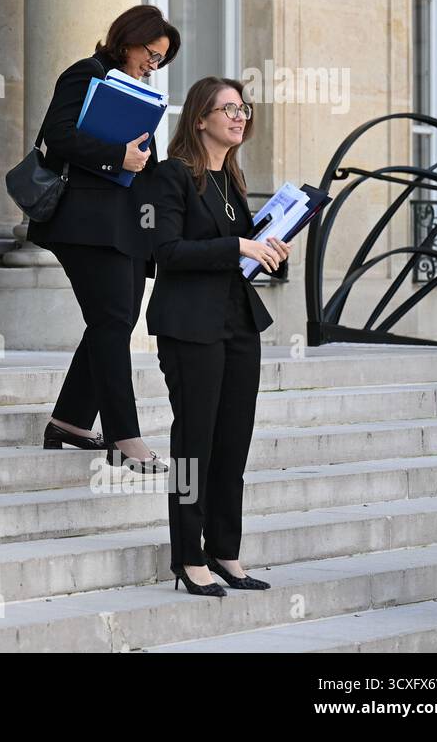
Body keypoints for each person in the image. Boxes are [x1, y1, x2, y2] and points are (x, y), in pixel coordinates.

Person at [147, 76, 290, 597]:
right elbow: (166, 252)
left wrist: (270, 252)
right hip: (190, 326)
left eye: (243, 108)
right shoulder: (171, 176)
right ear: (200, 118)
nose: (239, 116)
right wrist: (239, 247)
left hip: (238, 322)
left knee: (233, 441)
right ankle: (188, 557)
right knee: (194, 443)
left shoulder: (232, 179)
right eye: (228, 108)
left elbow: (240, 254)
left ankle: (225, 550)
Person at [27, 5, 180, 471]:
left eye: (160, 60)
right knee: (112, 322)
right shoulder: (86, 73)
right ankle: (124, 437)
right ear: (128, 39)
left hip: (126, 224)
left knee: (114, 322)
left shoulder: (139, 90)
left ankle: (70, 421)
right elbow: (55, 136)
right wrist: (117, 156)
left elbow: (142, 163)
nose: (152, 65)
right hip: (85, 223)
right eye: (151, 54)